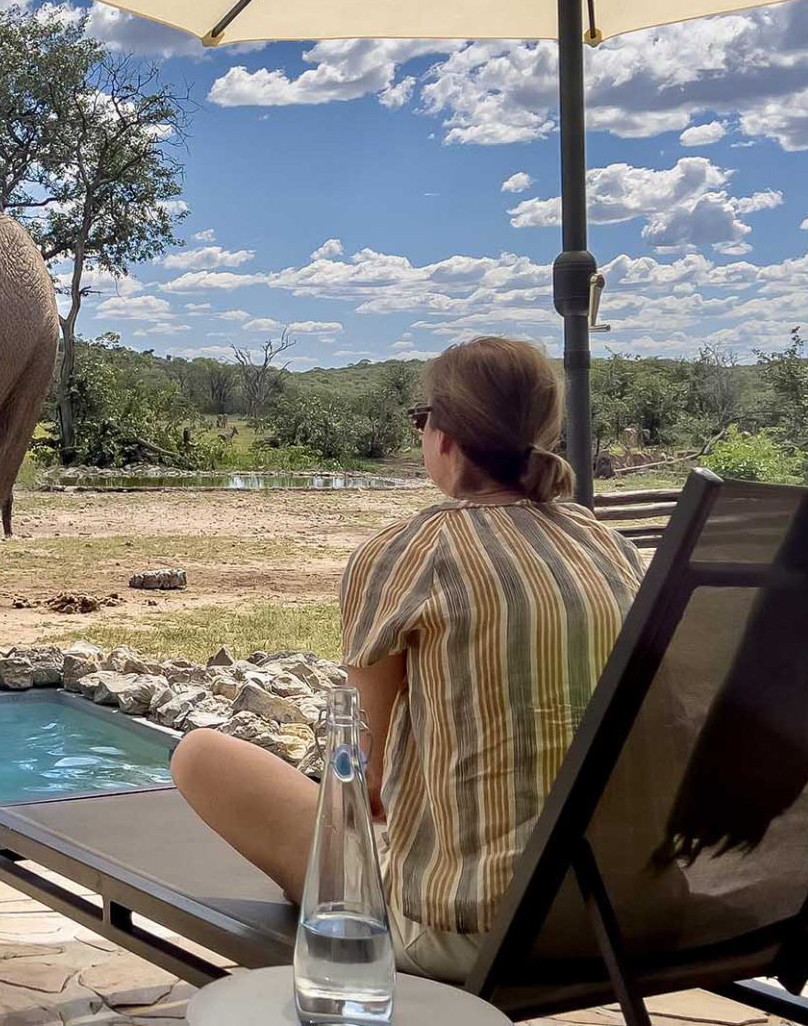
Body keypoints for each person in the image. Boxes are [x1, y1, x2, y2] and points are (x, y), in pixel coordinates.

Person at [170, 336, 643, 983]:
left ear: (442, 435)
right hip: (616, 914)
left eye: (421, 420)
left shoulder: (409, 554)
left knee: (200, 754)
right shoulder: (606, 546)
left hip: (475, 927)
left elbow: (362, 777)